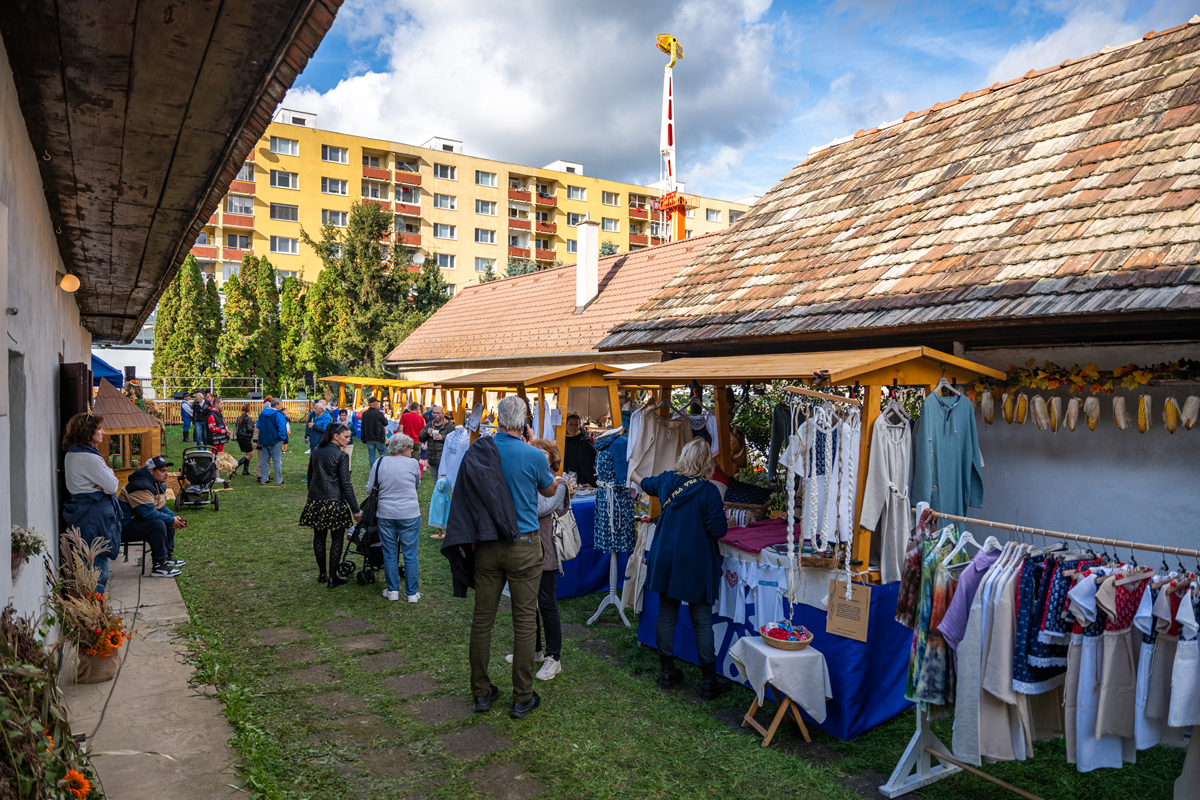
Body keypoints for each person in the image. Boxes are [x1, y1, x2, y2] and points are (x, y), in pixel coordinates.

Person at [463, 395, 562, 720]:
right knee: (523, 621)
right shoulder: (533, 455)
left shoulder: (480, 450)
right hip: (524, 544)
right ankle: (522, 696)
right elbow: (549, 491)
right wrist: (532, 446)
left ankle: (481, 692)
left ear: (498, 418)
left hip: (487, 543)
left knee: (483, 621)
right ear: (524, 423)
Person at [632, 437, 731, 701]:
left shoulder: (666, 480)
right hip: (696, 562)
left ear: (684, 458)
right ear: (706, 463)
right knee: (702, 622)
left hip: (666, 557)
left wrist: (633, 472)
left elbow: (645, 483)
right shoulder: (709, 491)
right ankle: (709, 682)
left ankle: (667, 673)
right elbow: (718, 530)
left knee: (666, 614)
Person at [505, 438, 569, 681]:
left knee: (546, 603)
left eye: (542, 453)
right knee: (526, 602)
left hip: (546, 549)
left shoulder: (559, 483)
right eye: (533, 453)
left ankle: (554, 658)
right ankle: (535, 651)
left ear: (552, 457)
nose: (536, 457)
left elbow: (540, 508)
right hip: (525, 546)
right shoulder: (529, 479)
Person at [61, 413, 121, 594]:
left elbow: (108, 482)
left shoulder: (74, 454)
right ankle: (96, 609)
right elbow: (112, 486)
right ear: (87, 432)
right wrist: (107, 479)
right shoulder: (88, 458)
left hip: (86, 512)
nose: (102, 432)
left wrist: (106, 477)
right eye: (99, 429)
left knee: (90, 562)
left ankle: (94, 608)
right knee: (96, 564)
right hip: (93, 516)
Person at [300, 423, 361, 587]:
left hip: (317, 500)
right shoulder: (341, 456)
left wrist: (312, 498)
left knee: (319, 537)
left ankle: (322, 574)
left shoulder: (316, 452)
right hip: (334, 502)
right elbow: (346, 484)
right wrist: (355, 509)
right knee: (337, 539)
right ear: (336, 436)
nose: (348, 440)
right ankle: (333, 577)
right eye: (346, 436)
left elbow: (310, 477)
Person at [366, 433, 422, 602]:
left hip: (386, 513)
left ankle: (393, 591)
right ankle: (412, 593)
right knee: (410, 554)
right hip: (409, 513)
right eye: (410, 447)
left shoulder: (380, 462)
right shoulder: (413, 463)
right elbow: (417, 484)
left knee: (389, 553)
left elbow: (370, 489)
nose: (412, 450)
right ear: (403, 448)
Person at [118, 456, 185, 577]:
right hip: (124, 526)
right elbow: (147, 513)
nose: (166, 474)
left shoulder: (155, 484)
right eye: (162, 471)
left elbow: (160, 507)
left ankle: (166, 557)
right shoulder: (140, 485)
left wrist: (173, 518)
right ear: (151, 471)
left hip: (137, 520)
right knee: (157, 524)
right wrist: (170, 520)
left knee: (166, 520)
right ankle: (159, 566)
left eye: (166, 470)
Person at [257, 399, 289, 485]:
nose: (281, 406)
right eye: (280, 404)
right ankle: (278, 480)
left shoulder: (262, 414)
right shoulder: (278, 414)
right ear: (277, 405)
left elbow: (258, 425)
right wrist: (282, 438)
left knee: (264, 461)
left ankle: (264, 479)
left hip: (264, 439)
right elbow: (282, 427)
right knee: (276, 461)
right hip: (276, 440)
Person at [562, 412, 597, 486]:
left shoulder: (585, 441)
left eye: (576, 424)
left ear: (579, 426)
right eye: (571, 424)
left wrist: (592, 481)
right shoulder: (562, 442)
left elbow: (596, 460)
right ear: (566, 425)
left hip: (585, 483)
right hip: (568, 482)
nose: (573, 427)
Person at [418, 405, 455, 473]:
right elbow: (420, 438)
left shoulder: (450, 426)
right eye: (434, 413)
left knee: (442, 482)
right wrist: (426, 433)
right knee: (435, 482)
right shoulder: (429, 425)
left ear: (443, 414)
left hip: (444, 461)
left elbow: (454, 442)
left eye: (438, 413)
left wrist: (442, 438)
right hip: (432, 460)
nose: (436, 415)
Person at [360, 396, 389, 470]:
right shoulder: (378, 413)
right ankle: (381, 469)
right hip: (378, 437)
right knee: (382, 453)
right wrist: (384, 417)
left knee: (371, 454)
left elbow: (363, 426)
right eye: (377, 403)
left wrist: (363, 437)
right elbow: (385, 423)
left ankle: (373, 470)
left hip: (369, 437)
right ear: (374, 404)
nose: (378, 405)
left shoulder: (365, 414)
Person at [234, 403, 255, 476]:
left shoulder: (239, 417)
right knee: (250, 455)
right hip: (245, 437)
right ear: (249, 409)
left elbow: (237, 426)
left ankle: (245, 470)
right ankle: (235, 466)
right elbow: (249, 429)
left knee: (247, 454)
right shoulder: (248, 418)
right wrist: (255, 428)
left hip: (240, 437)